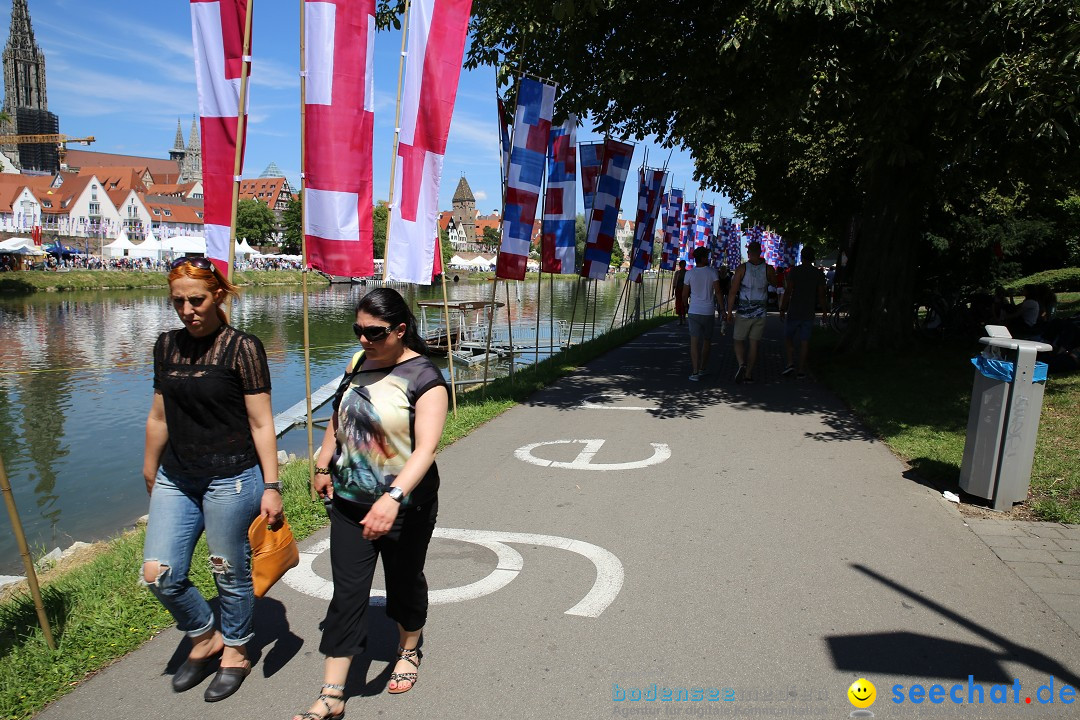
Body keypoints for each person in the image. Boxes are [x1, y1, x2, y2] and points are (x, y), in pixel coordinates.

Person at [295, 288, 449, 719]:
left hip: (406, 507)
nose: (364, 339)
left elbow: (425, 451)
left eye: (374, 332)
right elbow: (340, 414)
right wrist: (324, 462)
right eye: (358, 330)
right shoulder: (358, 363)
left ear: (400, 330)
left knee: (403, 583)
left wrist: (393, 497)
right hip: (349, 502)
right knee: (347, 594)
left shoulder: (425, 379)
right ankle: (331, 694)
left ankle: (409, 648)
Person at [142, 256, 282, 702]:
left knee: (229, 571)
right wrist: (150, 466)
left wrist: (273, 485)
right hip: (177, 476)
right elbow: (159, 415)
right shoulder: (166, 345)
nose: (187, 310)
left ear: (218, 294)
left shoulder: (243, 347)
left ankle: (237, 649)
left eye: (196, 300)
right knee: (159, 573)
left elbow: (262, 423)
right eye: (178, 301)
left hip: (232, 478)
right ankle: (205, 636)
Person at [725, 241, 778, 383]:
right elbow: (775, 284)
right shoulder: (769, 269)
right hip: (761, 312)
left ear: (748, 253)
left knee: (738, 340)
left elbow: (732, 292)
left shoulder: (742, 268)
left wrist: (729, 312)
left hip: (744, 311)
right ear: (760, 253)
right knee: (754, 343)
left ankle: (742, 363)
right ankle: (748, 374)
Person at [779, 246, 827, 378]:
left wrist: (782, 308)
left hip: (794, 310)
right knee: (805, 341)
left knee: (788, 337)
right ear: (813, 258)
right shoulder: (818, 273)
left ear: (801, 256)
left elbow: (788, 291)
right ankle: (801, 370)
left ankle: (790, 363)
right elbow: (822, 294)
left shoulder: (794, 271)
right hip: (808, 311)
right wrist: (824, 311)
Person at [680, 247, 720, 380]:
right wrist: (723, 310)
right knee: (707, 341)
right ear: (703, 258)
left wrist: (686, 307)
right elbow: (718, 292)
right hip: (708, 311)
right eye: (707, 256)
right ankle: (703, 368)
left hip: (694, 311)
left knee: (694, 342)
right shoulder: (712, 272)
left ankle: (695, 371)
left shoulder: (689, 274)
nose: (708, 258)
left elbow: (684, 294)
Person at [672, 259, 688, 325]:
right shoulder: (677, 273)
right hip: (678, 290)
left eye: (684, 264)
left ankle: (684, 317)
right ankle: (680, 319)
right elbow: (674, 282)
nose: (683, 265)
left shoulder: (687, 272)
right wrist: (672, 291)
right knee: (678, 305)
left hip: (685, 290)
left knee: (684, 304)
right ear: (680, 265)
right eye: (682, 264)